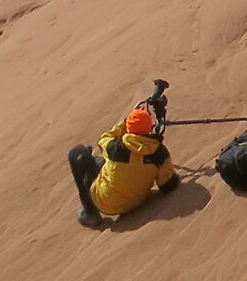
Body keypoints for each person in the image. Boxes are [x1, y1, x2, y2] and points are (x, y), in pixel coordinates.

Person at [69, 93, 180, 227]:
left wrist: (126, 121)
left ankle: (90, 213)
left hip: (106, 204)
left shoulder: (116, 147)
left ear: (129, 128)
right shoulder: (159, 152)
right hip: (138, 201)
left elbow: (102, 140)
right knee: (100, 162)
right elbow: (168, 185)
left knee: (77, 152)